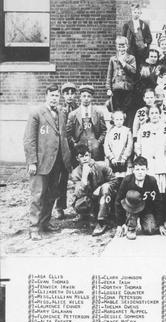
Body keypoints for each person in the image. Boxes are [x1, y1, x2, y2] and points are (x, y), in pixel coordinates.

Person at [23, 84, 72, 240]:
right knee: (38, 195)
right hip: (41, 162)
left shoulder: (62, 113)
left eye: (57, 96)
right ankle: (34, 228)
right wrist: (32, 162)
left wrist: (66, 159)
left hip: (57, 162)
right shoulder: (37, 113)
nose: (54, 98)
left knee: (52, 194)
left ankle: (45, 223)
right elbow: (29, 139)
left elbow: (62, 137)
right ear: (46, 96)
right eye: (52, 95)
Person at [71, 143, 119, 236]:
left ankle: (101, 222)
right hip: (90, 199)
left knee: (106, 187)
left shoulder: (101, 165)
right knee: (79, 203)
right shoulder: (76, 173)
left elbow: (115, 181)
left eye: (86, 155)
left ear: (90, 155)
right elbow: (78, 194)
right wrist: (84, 179)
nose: (85, 159)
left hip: (105, 198)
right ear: (77, 158)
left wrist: (101, 187)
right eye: (81, 157)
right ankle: (89, 216)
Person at [115, 156, 166, 240]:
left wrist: (160, 224)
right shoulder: (127, 180)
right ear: (133, 170)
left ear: (147, 170)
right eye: (137, 169)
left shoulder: (152, 181)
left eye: (143, 169)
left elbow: (158, 202)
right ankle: (131, 227)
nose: (140, 172)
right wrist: (119, 224)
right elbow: (118, 201)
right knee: (132, 197)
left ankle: (143, 223)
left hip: (146, 209)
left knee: (150, 230)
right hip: (131, 209)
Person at [54, 82, 78, 220]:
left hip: (75, 148)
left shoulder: (78, 109)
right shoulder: (59, 110)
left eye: (72, 93)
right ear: (63, 95)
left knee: (78, 178)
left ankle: (78, 206)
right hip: (63, 149)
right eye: (67, 93)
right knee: (61, 179)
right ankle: (59, 207)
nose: (69, 96)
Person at [66, 84, 107, 161]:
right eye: (84, 96)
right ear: (80, 97)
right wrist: (74, 144)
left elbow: (104, 131)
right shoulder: (73, 114)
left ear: (92, 98)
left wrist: (98, 142)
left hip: (95, 150)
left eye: (88, 96)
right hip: (79, 151)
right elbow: (68, 134)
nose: (86, 98)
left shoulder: (98, 113)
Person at [135, 105, 166, 192]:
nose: (154, 115)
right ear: (148, 115)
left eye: (156, 113)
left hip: (160, 161)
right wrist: (139, 154)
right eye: (152, 113)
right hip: (147, 161)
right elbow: (138, 144)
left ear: (160, 115)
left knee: (160, 187)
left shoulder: (165, 128)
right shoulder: (143, 128)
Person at [106, 36, 137, 127]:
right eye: (119, 46)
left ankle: (127, 129)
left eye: (123, 46)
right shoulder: (113, 59)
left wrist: (123, 63)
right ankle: (116, 128)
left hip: (127, 89)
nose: (121, 48)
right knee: (116, 111)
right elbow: (109, 74)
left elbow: (133, 71)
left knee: (126, 110)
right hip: (116, 88)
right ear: (116, 47)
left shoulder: (131, 58)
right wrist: (108, 88)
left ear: (127, 46)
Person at [104, 110, 134, 180]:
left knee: (125, 178)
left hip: (124, 160)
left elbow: (130, 145)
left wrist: (125, 157)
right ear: (113, 120)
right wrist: (111, 157)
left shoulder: (127, 131)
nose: (119, 121)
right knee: (114, 178)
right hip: (113, 159)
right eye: (117, 119)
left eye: (121, 119)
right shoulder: (110, 132)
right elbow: (106, 146)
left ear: (124, 120)